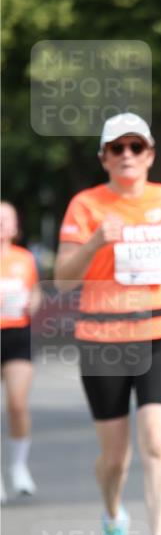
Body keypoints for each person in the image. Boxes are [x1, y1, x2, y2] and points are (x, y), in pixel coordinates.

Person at [53, 114, 161, 535]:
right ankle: (114, 521)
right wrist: (95, 241)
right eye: (117, 148)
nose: (127, 155)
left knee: (156, 439)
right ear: (104, 158)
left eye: (136, 146)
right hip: (103, 337)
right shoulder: (86, 204)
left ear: (150, 153)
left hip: (160, 329)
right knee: (116, 457)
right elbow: (64, 277)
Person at [1, 201, 41, 500]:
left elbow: (36, 291)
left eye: (7, 219)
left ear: (16, 226)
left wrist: (33, 304)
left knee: (17, 404)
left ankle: (17, 466)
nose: (2, 224)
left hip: (17, 333)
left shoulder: (25, 257)